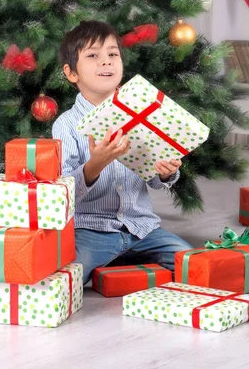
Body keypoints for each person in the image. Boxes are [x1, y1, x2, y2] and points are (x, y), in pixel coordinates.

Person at [52, 20, 192, 285]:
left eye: (113, 54)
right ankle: (108, 264)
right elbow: (64, 193)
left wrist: (166, 172)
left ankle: (118, 265)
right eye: (93, 56)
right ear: (71, 73)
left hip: (142, 229)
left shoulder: (142, 115)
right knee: (64, 279)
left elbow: (152, 178)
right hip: (91, 230)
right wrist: (96, 163)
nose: (106, 62)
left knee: (192, 263)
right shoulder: (66, 125)